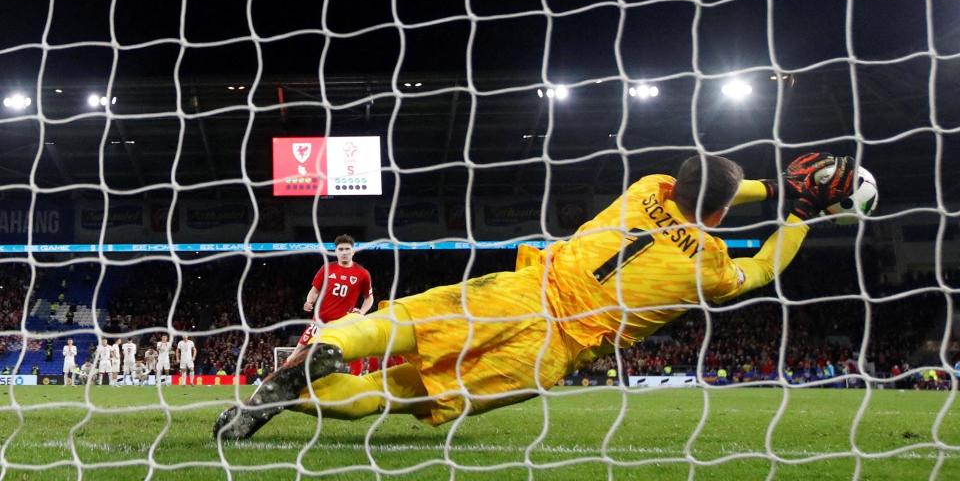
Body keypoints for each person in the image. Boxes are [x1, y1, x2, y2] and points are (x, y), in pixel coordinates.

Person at [214, 152, 855, 440]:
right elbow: (764, 270)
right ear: (716, 214)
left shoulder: (647, 188)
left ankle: (315, 354)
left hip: (523, 287)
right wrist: (800, 211)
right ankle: (298, 400)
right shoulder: (709, 264)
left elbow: (706, 185)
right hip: (554, 347)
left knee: (397, 323)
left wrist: (771, 186)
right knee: (401, 397)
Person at [285, 234, 374, 367]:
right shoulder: (327, 268)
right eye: (341, 249)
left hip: (344, 323)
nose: (344, 252)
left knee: (355, 352)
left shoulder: (362, 274)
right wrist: (309, 302)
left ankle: (356, 380)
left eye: (347, 249)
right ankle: (281, 376)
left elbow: (369, 298)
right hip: (320, 321)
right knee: (298, 350)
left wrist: (361, 312)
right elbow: (314, 291)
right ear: (336, 252)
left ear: (353, 251)